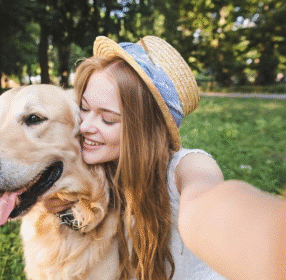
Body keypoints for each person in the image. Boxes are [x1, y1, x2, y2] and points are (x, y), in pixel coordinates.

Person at [45, 36, 286, 280]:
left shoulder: (188, 167)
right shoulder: (99, 166)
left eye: (108, 119)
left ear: (146, 128)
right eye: (84, 108)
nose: (84, 126)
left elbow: (206, 202)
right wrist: (66, 211)